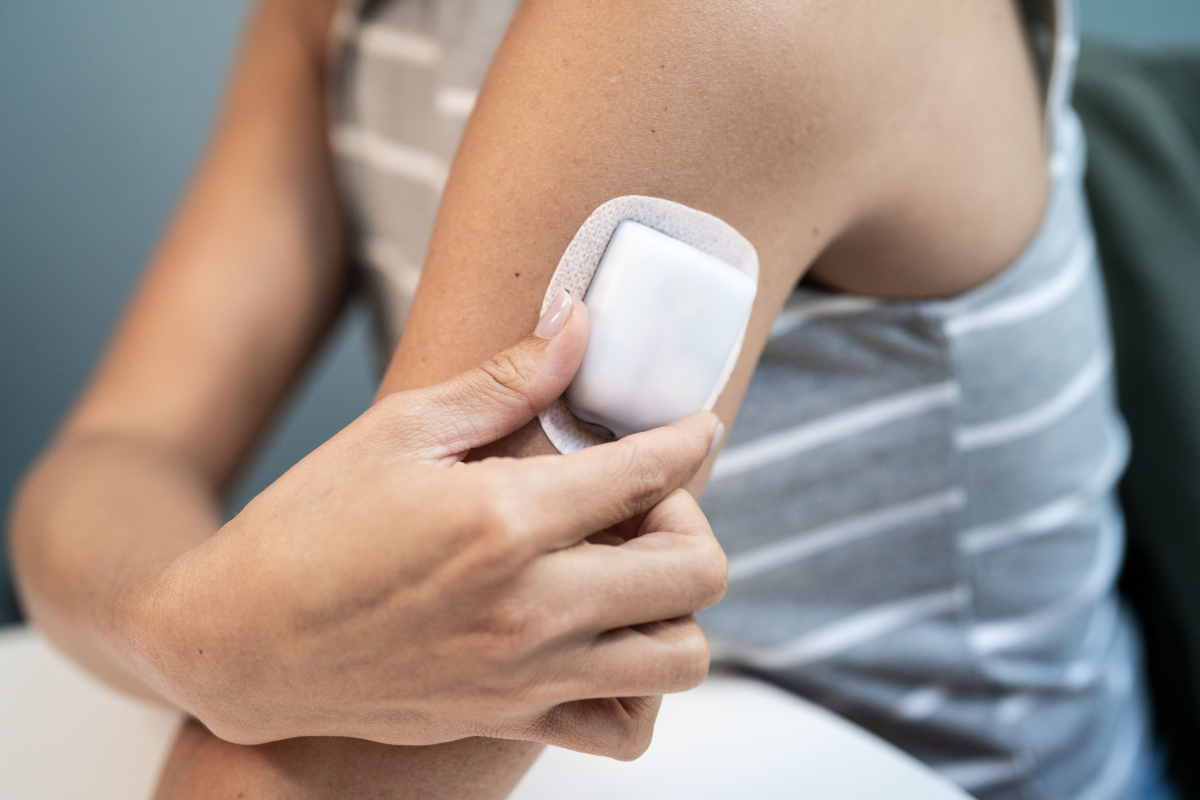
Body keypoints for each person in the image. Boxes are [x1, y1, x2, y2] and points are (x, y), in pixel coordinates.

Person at [8, 0, 1176, 798]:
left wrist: (225, 648)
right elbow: (116, 453)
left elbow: (325, 763)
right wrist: (186, 625)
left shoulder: (708, 21)